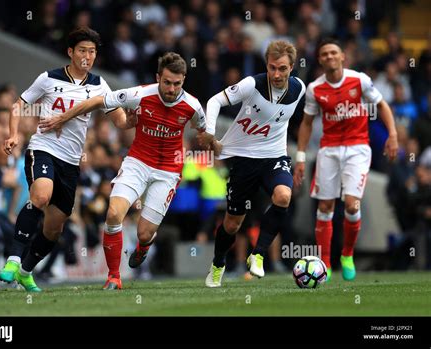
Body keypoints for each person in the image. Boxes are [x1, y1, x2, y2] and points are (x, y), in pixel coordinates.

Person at [38, 52, 206, 290]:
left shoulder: (192, 106)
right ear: (158, 77)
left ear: (183, 81)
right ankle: (114, 277)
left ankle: (144, 246)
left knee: (145, 233)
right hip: (137, 162)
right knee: (114, 214)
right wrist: (63, 118)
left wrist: (213, 144)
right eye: (166, 82)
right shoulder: (139, 94)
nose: (171, 88)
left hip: (168, 171)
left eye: (176, 83)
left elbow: (202, 130)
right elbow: (99, 100)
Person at [0, 27, 132, 292]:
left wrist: (137, 116)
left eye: (92, 52)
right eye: (82, 50)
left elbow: (120, 122)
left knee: (54, 229)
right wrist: (13, 134)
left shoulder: (99, 85)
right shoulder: (49, 78)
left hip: (71, 163)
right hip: (44, 148)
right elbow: (18, 105)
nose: (87, 56)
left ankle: (25, 272)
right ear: (71, 52)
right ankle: (13, 259)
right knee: (40, 196)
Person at [198, 40, 306, 287]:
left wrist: (300, 157)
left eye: (282, 68)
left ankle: (257, 255)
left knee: (283, 197)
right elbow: (215, 101)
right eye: (272, 68)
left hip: (274, 157)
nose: (276, 74)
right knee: (232, 223)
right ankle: (218, 264)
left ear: (292, 68)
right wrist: (211, 132)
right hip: (244, 160)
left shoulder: (299, 89)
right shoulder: (251, 84)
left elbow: (304, 120)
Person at [293, 38, 398, 281]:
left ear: (342, 57)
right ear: (319, 60)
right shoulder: (315, 89)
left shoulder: (359, 80)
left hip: (357, 148)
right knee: (325, 207)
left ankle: (347, 254)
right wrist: (300, 157)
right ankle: (325, 264)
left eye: (333, 53)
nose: (329, 57)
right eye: (324, 54)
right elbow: (306, 124)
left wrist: (392, 134)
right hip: (328, 150)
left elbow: (381, 105)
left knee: (352, 204)